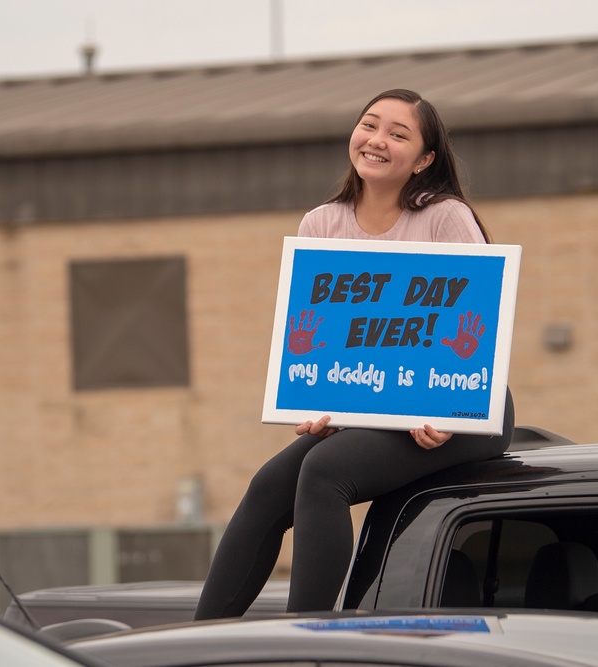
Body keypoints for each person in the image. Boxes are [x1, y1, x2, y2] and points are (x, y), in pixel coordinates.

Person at [194, 89, 515, 618]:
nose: (377, 140)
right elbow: (326, 340)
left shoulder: (445, 218)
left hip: (463, 410)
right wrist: (323, 403)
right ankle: (201, 640)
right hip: (380, 411)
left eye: (398, 134)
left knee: (324, 471)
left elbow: (479, 336)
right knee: (270, 483)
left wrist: (447, 414)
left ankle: (310, 642)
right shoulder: (321, 223)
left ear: (425, 160)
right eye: (370, 125)